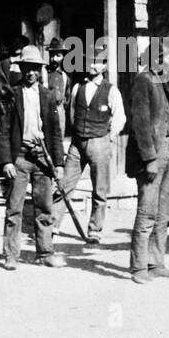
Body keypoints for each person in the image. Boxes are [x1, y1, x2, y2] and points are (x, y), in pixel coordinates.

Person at [126, 37, 169, 285]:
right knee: (147, 213)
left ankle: (156, 262)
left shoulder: (159, 81)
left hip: (167, 152)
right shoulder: (143, 80)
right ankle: (138, 267)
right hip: (153, 154)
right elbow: (141, 125)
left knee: (165, 211)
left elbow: (167, 120)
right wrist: (149, 159)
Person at [0, 45, 67, 270]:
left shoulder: (48, 96)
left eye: (35, 68)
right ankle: (11, 255)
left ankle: (45, 252)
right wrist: (6, 160)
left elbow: (56, 133)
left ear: (40, 70)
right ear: (22, 68)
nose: (31, 73)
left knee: (44, 207)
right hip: (20, 157)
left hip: (42, 159)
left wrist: (58, 163)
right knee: (14, 208)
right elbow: (4, 130)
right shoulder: (12, 94)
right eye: (27, 68)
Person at [59, 43, 126, 244]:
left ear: (104, 66)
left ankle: (95, 230)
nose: (92, 65)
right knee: (64, 186)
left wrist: (108, 138)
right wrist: (78, 133)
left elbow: (120, 118)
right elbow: (72, 114)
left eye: (97, 62)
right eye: (90, 61)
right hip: (77, 145)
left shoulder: (111, 90)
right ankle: (53, 225)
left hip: (100, 143)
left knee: (100, 190)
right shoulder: (78, 87)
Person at [46, 36, 70, 131]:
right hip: (46, 111)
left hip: (60, 111)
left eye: (58, 55)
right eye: (52, 55)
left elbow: (67, 99)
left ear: (63, 56)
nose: (54, 59)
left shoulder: (65, 77)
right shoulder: (44, 74)